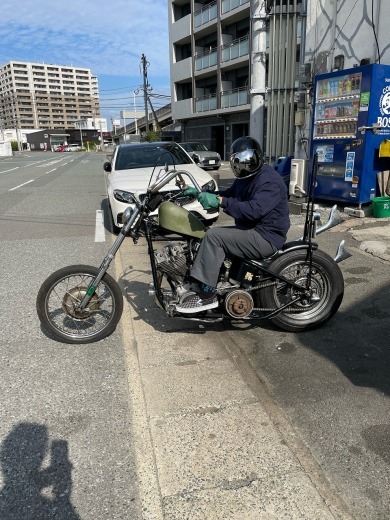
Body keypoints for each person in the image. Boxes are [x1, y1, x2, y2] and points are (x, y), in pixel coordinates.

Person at [176, 136, 290, 314]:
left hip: (266, 236)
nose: (242, 165)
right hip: (251, 230)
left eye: (246, 160)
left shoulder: (269, 181)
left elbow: (254, 210)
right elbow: (229, 194)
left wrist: (219, 201)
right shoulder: (245, 178)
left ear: (257, 157)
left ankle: (207, 296)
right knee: (204, 235)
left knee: (214, 237)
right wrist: (202, 194)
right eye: (238, 161)